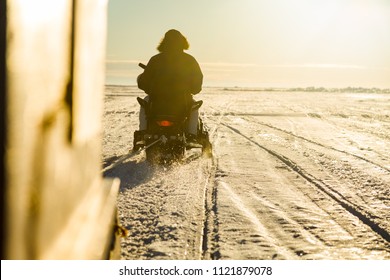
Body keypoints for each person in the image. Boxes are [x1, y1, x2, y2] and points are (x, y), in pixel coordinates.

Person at [136, 29, 203, 147]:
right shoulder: (189, 60)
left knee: (145, 103)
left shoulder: (155, 59)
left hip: (157, 102)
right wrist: (194, 89)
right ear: (182, 42)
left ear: (164, 42)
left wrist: (148, 88)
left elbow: (144, 81)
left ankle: (143, 132)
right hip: (182, 101)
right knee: (193, 108)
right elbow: (197, 81)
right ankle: (192, 135)